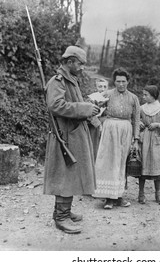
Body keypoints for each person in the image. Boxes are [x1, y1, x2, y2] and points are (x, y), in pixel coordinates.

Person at [43, 45, 100, 234]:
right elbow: (55, 105)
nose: (83, 67)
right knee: (65, 177)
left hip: (73, 133)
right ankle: (61, 217)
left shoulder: (70, 80)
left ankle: (64, 211)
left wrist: (89, 110)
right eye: (80, 63)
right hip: (64, 136)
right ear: (69, 62)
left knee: (71, 175)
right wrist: (84, 109)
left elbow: (70, 103)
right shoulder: (57, 81)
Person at [93, 68, 140, 209]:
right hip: (109, 129)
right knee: (108, 162)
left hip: (126, 130)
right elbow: (93, 110)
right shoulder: (107, 94)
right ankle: (108, 198)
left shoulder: (133, 98)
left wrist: (136, 139)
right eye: (118, 81)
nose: (121, 84)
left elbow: (136, 119)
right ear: (114, 82)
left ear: (128, 82)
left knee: (121, 163)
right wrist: (99, 124)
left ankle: (119, 196)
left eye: (123, 81)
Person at [137, 85, 160, 205]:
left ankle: (158, 193)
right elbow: (135, 120)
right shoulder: (142, 108)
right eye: (143, 94)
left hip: (157, 140)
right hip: (144, 139)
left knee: (156, 167)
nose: (144, 97)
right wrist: (140, 123)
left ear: (153, 95)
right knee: (142, 166)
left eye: (146, 94)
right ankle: (141, 193)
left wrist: (158, 124)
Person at [87, 78, 109, 159]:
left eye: (104, 87)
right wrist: (98, 125)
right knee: (94, 147)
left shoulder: (109, 98)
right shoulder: (92, 98)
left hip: (106, 126)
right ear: (96, 87)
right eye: (100, 86)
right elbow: (89, 114)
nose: (102, 89)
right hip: (94, 126)